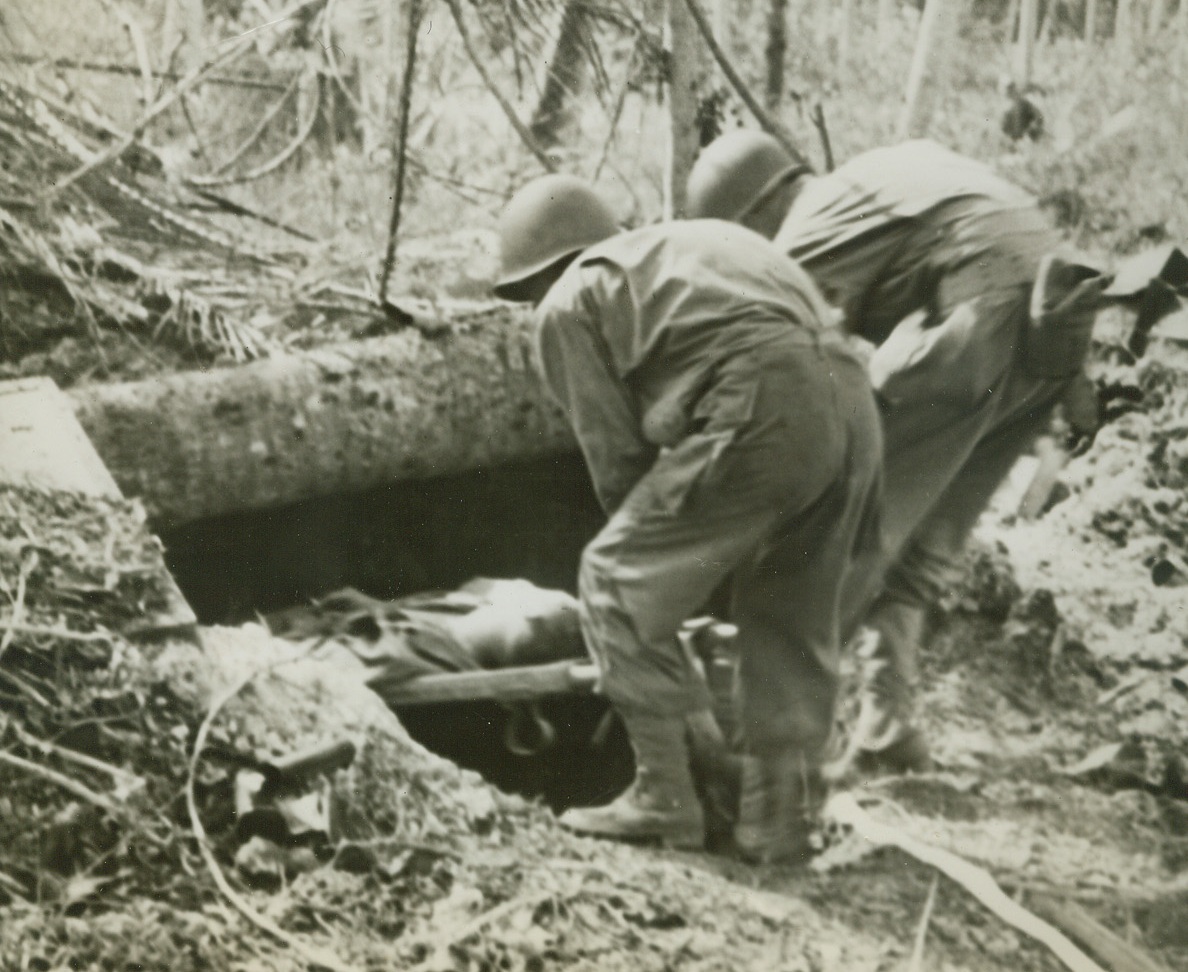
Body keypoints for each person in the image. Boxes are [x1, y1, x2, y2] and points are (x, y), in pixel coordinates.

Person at [687, 132, 1104, 782]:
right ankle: (888, 725)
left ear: (751, 217)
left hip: (978, 321)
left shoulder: (808, 226)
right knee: (920, 547)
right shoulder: (878, 175)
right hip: (1055, 330)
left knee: (836, 532)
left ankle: (774, 755)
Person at [492, 174, 883, 861]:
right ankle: (775, 820)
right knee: (785, 609)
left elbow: (619, 464)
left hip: (765, 396)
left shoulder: (566, 301)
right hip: (852, 400)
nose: (531, 306)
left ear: (538, 271)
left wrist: (664, 585)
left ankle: (662, 798)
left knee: (613, 576)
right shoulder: (696, 245)